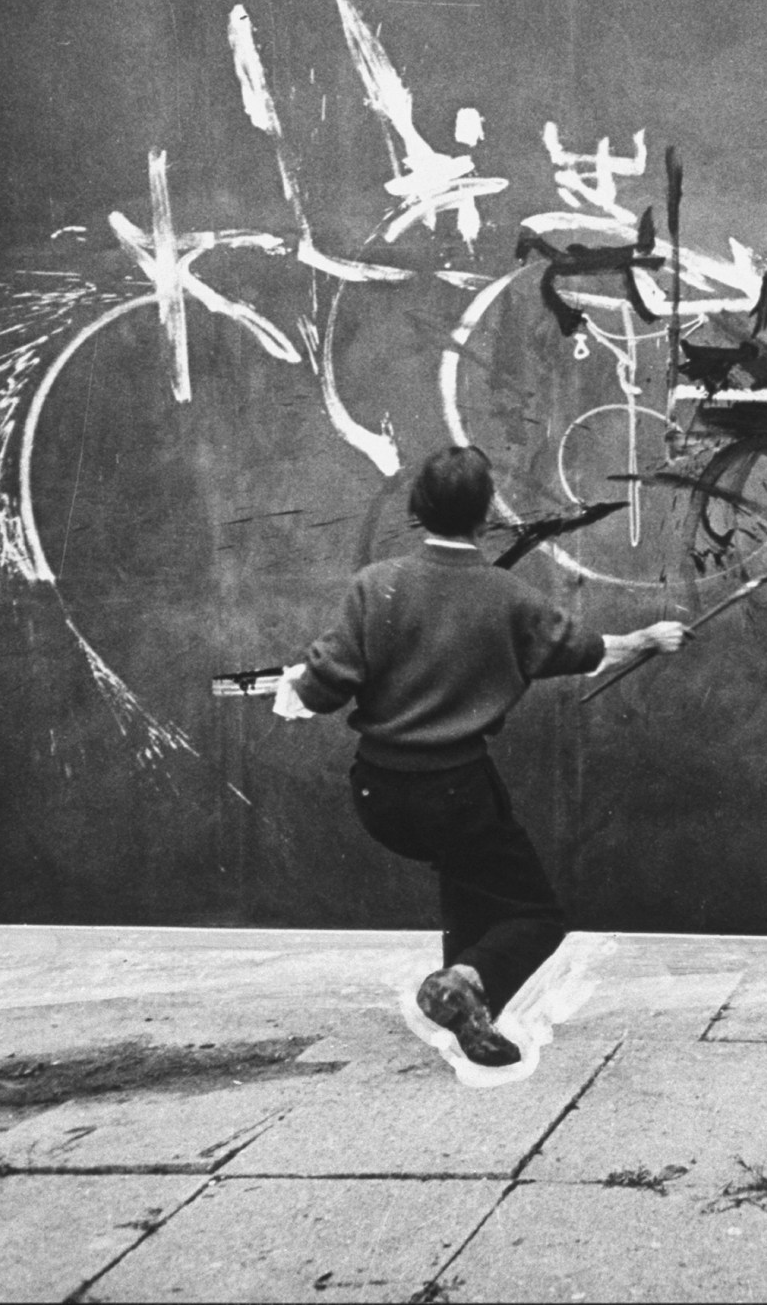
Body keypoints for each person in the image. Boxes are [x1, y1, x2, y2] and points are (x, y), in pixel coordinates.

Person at [273, 445, 687, 1067]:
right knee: (538, 918)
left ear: (417, 510)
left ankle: (470, 1018)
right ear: (487, 513)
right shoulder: (508, 598)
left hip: (378, 793)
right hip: (456, 792)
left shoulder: (375, 586)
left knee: (466, 882)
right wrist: (651, 640)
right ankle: (466, 983)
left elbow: (323, 687)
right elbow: (591, 650)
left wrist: (294, 689)